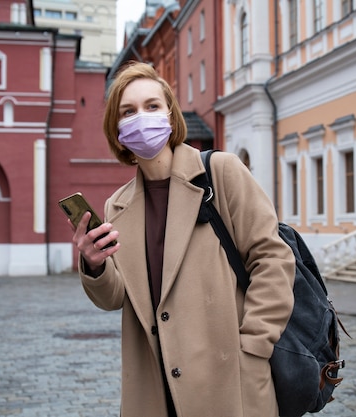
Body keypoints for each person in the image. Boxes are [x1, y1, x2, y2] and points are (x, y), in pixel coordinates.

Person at [71, 62, 295, 417]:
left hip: (228, 380)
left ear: (171, 117)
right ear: (117, 131)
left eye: (152, 106)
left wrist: (254, 345)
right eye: (128, 111)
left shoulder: (221, 173)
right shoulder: (118, 204)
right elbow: (117, 298)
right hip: (157, 387)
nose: (141, 117)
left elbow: (272, 259)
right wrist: (94, 265)